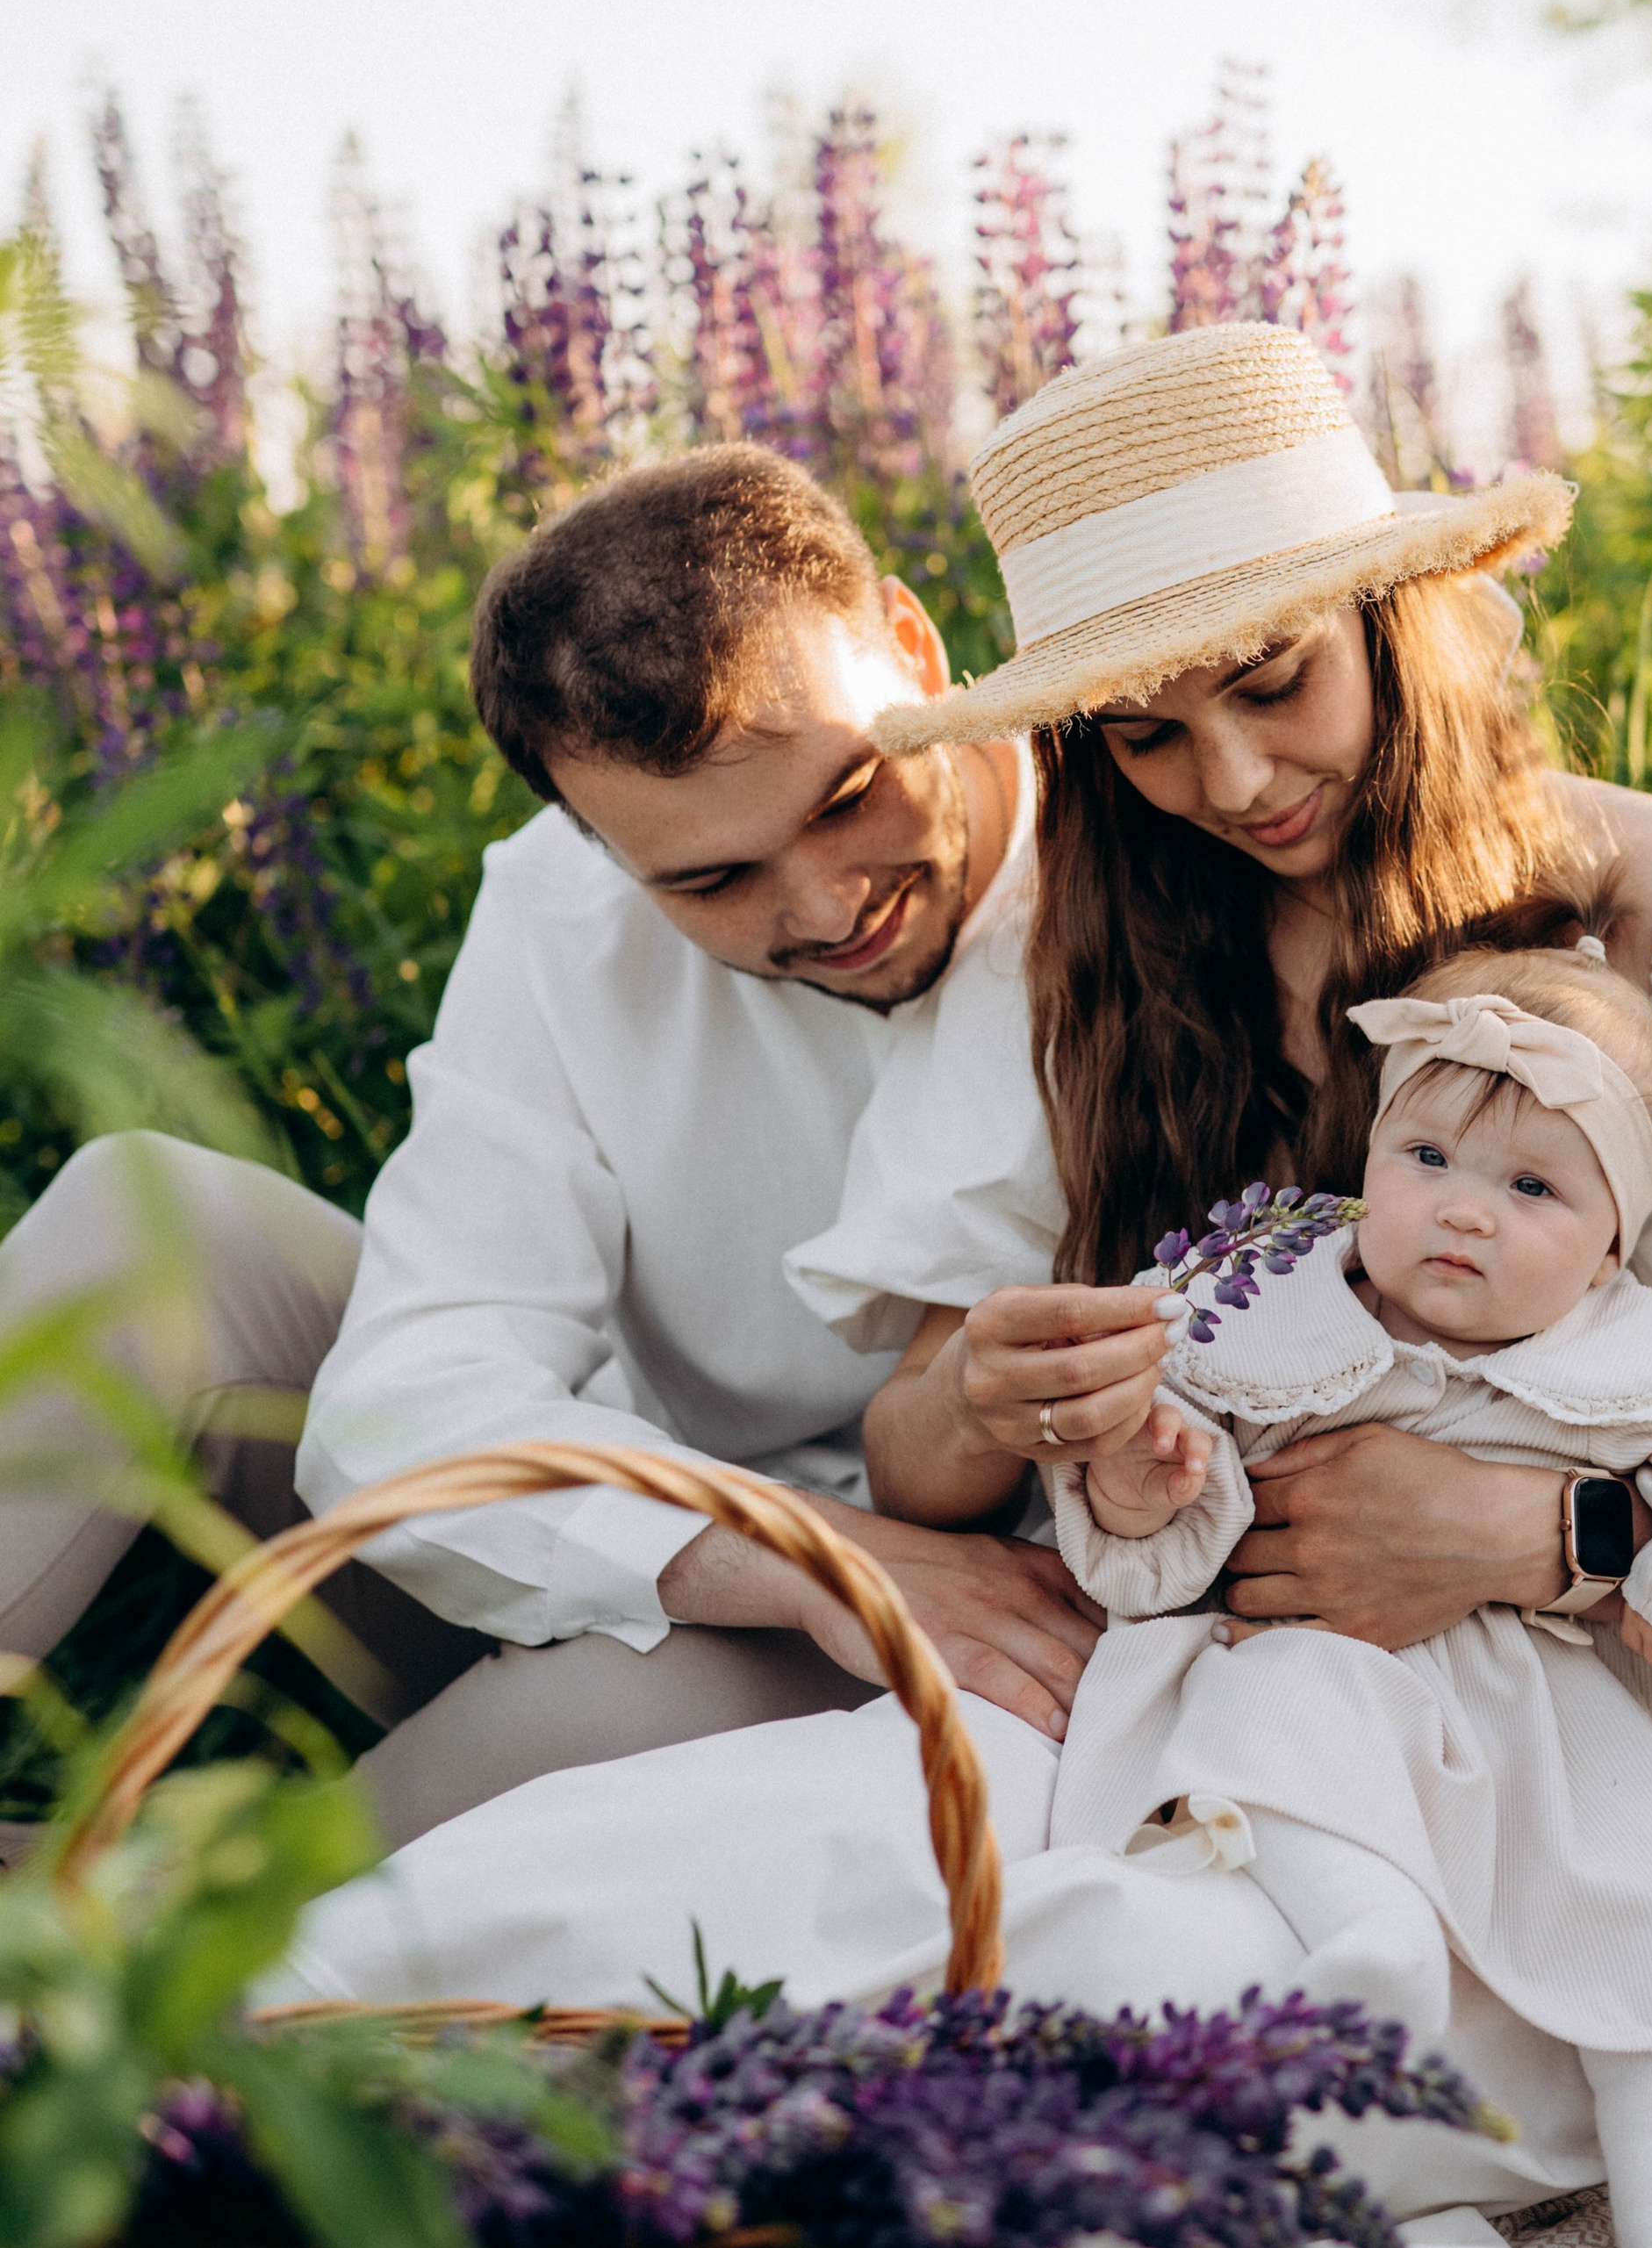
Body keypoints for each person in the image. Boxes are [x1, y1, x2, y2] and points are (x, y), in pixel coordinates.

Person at [793, 319, 1652, 2013]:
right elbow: (908, 1460)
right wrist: (992, 1403)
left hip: (1630, 1778)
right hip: (1222, 1728)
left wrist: (1521, 1529)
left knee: (1132, 2018)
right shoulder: (1089, 967)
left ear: (1400, 625)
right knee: (804, 1914)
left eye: (1270, 682)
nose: (1230, 782)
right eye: (1146, 737)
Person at [0, 448, 1098, 1838]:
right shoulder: (560, 918)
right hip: (645, 1541)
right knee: (146, 1220)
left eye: (847, 794)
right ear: (592, 839)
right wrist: (803, 1556)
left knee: (606, 1731)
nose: (826, 905)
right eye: (711, 878)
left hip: (972, 1638)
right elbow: (406, 1394)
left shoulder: (1134, 852)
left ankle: (148, 1942)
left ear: (911, 642)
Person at [1031, 945, 1652, 2248]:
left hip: (1554, 1725)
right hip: (1323, 1660)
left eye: (1533, 1188)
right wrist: (1146, 1475)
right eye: (1426, 1156)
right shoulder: (1268, 1310)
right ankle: (1372, 1952)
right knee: (1305, 1742)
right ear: (1372, 1156)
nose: (1462, 1211)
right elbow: (1158, 1553)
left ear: (1611, 1240)